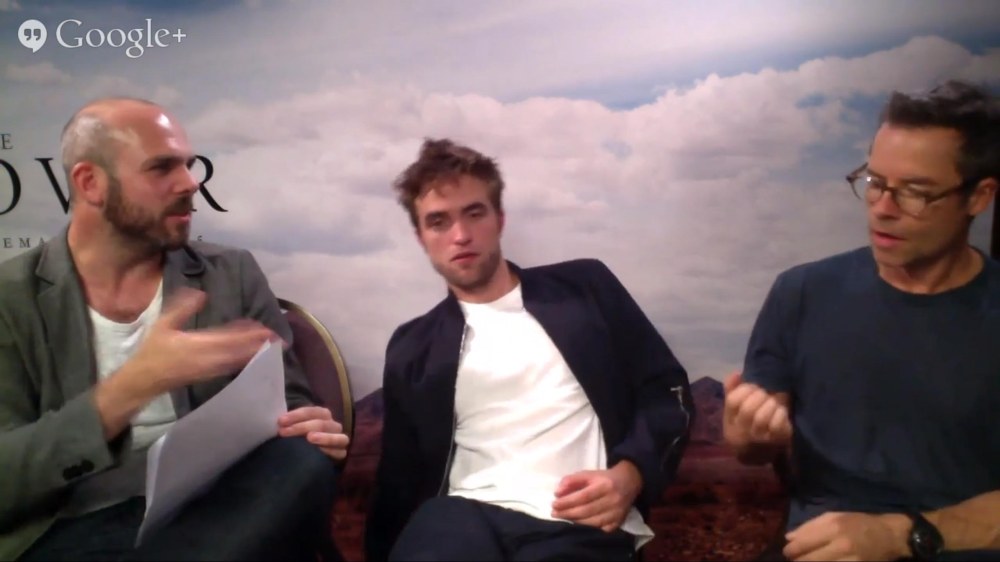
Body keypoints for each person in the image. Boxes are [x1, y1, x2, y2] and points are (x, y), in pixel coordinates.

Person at [0, 97, 349, 561]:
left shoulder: (232, 273)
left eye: (188, 165)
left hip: (219, 503)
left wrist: (307, 425)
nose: (190, 183)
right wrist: (130, 388)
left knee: (302, 462)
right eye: (162, 168)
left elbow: (291, 404)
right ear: (90, 182)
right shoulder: (11, 298)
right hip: (76, 521)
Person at [365, 138, 694, 561]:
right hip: (459, 519)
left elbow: (666, 392)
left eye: (474, 214)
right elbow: (398, 480)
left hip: (577, 522)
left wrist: (631, 475)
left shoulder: (585, 288)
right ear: (421, 237)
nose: (461, 236)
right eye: (439, 222)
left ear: (499, 219)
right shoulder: (414, 347)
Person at [723, 80, 1000, 561]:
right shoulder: (801, 292)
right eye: (874, 183)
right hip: (817, 547)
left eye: (914, 193)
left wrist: (900, 535)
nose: (883, 210)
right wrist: (749, 435)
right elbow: (752, 449)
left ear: (979, 197)